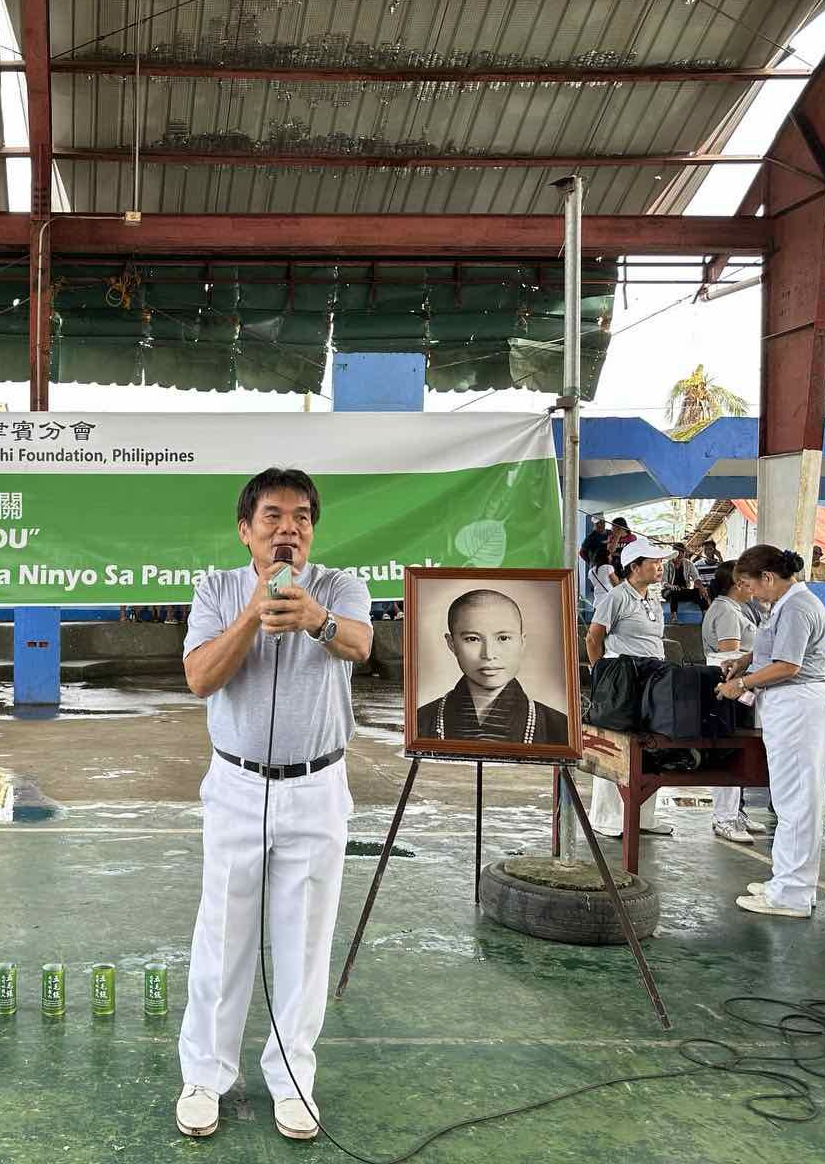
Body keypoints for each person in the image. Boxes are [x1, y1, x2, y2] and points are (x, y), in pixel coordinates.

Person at [174, 468, 372, 1143]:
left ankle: (293, 1081)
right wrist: (253, 614)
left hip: (317, 787)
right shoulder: (216, 588)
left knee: (305, 942)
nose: (289, 528)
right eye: (273, 517)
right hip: (236, 785)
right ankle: (205, 1075)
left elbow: (362, 643)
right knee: (223, 936)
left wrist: (314, 618)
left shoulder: (340, 588)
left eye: (301, 518)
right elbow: (201, 677)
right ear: (245, 530)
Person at [715, 545, 825, 918]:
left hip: (799, 705)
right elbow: (773, 649)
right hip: (788, 707)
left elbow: (788, 665)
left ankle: (792, 894)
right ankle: (787, 881)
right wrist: (745, 660)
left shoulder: (798, 607)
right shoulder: (783, 605)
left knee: (797, 802)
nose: (749, 592)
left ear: (768, 577)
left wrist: (744, 684)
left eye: (749, 585)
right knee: (789, 800)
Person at [585, 539, 677, 838]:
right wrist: (603, 676)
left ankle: (643, 817)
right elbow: (593, 638)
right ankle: (608, 819)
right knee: (615, 743)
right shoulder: (616, 598)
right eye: (653, 562)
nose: (659, 566)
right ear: (634, 566)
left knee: (649, 744)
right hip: (622, 677)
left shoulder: (653, 598)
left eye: (660, 562)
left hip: (653, 676)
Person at [415, 589, 569, 746]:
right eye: (473, 639)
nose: (489, 654)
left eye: (503, 638)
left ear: (522, 642)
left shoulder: (560, 727)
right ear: (451, 644)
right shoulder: (421, 721)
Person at [701, 562, 768, 845]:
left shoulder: (735, 609)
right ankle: (724, 816)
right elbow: (730, 654)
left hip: (739, 687)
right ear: (738, 583)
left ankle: (735, 811)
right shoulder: (727, 611)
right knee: (729, 749)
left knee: (738, 749)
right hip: (730, 687)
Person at [663, 542, 708, 623]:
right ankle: (673, 616)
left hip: (683, 591)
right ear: (673, 553)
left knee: (699, 592)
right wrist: (671, 586)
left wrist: (701, 587)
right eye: (677, 553)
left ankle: (705, 614)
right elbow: (664, 583)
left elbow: (696, 578)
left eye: (682, 552)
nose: (680, 555)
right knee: (674, 592)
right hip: (668, 591)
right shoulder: (666, 565)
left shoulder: (688, 564)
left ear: (684, 553)